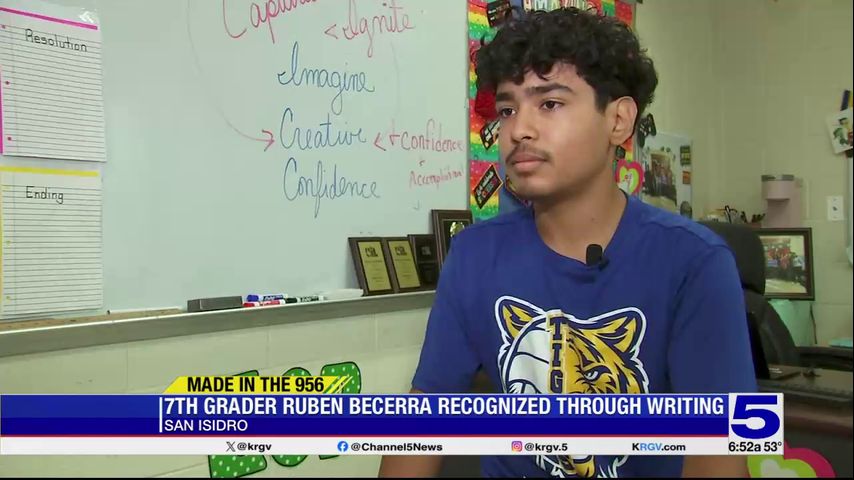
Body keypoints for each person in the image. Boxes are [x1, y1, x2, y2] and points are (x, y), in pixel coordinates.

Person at [379, 7, 755, 478]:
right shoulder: (474, 255)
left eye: (550, 104)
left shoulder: (694, 262)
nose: (519, 130)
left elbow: (718, 457)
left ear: (618, 120)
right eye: (508, 110)